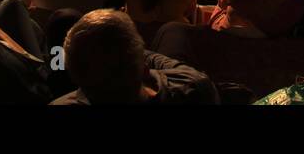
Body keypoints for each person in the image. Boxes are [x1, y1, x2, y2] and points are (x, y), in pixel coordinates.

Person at [52, 9, 218, 104]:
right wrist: (131, 47)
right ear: (145, 70)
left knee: (62, 19)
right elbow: (173, 65)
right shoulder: (194, 88)